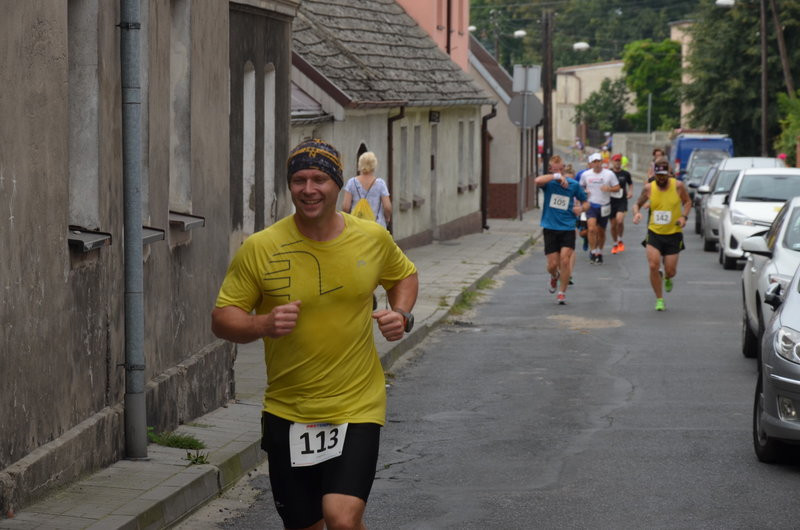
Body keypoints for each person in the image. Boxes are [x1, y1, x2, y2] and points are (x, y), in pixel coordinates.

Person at [211, 139, 419, 529]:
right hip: (288, 410)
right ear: (289, 186)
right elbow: (222, 318)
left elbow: (404, 274)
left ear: (338, 184)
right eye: (299, 180)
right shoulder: (260, 248)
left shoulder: (372, 238)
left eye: (320, 179)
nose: (309, 189)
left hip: (356, 406)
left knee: (341, 518)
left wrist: (402, 314)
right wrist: (262, 324)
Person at [631, 158, 692, 311]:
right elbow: (636, 204)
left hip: (673, 233)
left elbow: (688, 202)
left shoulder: (678, 186)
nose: (661, 179)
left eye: (664, 176)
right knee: (653, 265)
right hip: (654, 232)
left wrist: (683, 217)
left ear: (669, 174)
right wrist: (637, 213)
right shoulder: (649, 188)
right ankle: (659, 299)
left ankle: (668, 278)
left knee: (671, 271)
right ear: (655, 174)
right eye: (659, 176)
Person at [534, 155, 589, 304]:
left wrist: (581, 208)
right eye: (555, 169)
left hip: (567, 227)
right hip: (550, 227)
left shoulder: (573, 185)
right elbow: (537, 181)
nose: (559, 171)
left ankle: (561, 292)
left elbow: (586, 202)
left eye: (561, 169)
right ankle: (554, 276)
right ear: (551, 170)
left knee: (565, 260)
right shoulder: (549, 183)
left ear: (564, 168)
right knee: (552, 265)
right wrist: (555, 177)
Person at [580, 152, 620, 264]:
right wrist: (584, 192)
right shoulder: (586, 175)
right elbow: (580, 187)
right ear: (591, 163)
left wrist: (609, 189)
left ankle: (599, 252)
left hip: (604, 205)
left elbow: (617, 187)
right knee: (592, 229)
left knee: (601, 231)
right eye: (594, 162)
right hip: (591, 205)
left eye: (599, 161)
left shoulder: (609, 174)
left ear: (602, 162)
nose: (597, 164)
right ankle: (593, 252)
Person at [341, 151, 392, 229]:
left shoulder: (351, 182)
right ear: (374, 165)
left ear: (360, 164)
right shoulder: (380, 183)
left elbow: (345, 207)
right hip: (376, 226)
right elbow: (387, 207)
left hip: (356, 226)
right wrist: (387, 218)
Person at [609, 153, 633, 254]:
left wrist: (630, 192)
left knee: (619, 221)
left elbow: (630, 184)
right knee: (613, 225)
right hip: (610, 201)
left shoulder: (625, 173)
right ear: (612, 162)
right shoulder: (608, 173)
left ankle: (619, 238)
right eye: (616, 161)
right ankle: (615, 243)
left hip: (622, 200)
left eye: (619, 161)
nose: (617, 163)